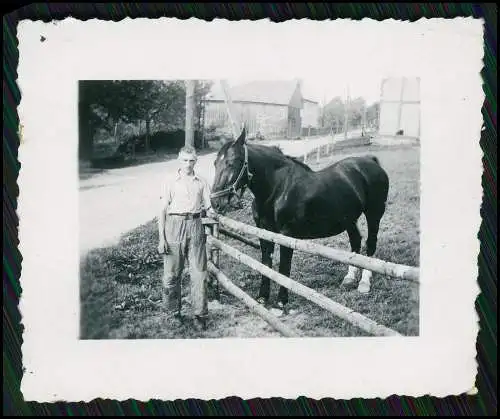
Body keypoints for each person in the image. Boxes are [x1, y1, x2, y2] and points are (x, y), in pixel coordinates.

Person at [157, 145, 217, 331]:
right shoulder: (170, 181)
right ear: (178, 160)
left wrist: (213, 211)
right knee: (172, 273)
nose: (188, 164)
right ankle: (173, 313)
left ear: (196, 161)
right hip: (174, 226)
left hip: (196, 225)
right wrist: (162, 239)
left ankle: (200, 315)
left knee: (199, 272)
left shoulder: (202, 182)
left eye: (191, 160)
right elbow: (161, 211)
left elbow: (208, 206)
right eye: (185, 160)